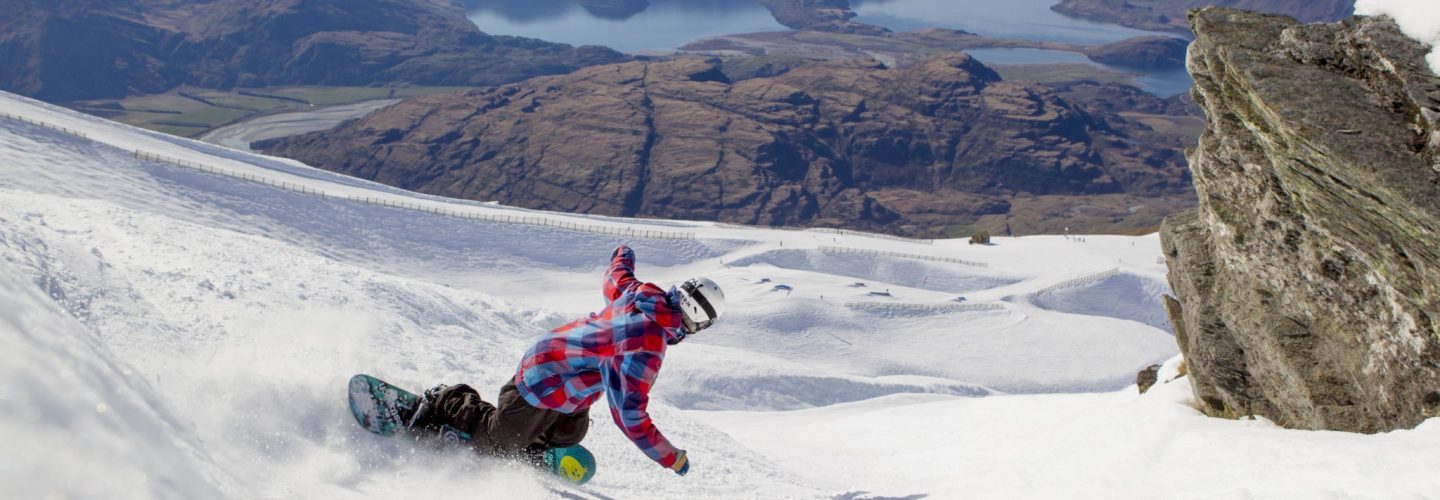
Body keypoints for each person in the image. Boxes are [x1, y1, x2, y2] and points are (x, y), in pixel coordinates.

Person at [405, 244, 725, 476]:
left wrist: (623, 252)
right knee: (500, 440)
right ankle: (445, 401)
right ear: (698, 321)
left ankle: (528, 442)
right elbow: (630, 416)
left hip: (567, 374)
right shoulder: (648, 348)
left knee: (572, 431)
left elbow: (616, 276)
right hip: (546, 377)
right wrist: (671, 457)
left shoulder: (641, 293)